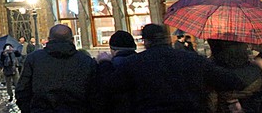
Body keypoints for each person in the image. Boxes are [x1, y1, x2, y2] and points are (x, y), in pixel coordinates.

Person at [96, 23, 244, 112]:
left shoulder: (135, 63)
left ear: (146, 42)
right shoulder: (192, 59)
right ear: (167, 39)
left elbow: (109, 86)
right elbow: (232, 81)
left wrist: (104, 63)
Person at [15, 24, 96, 113]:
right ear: (72, 40)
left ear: (49, 39)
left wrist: (29, 109)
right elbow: (95, 94)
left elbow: (22, 90)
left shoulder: (34, 59)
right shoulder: (86, 61)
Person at [206, 39, 262, 113]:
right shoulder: (254, 71)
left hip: (224, 80)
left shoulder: (212, 72)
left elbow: (211, 103)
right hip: (248, 80)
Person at [98, 30, 137, 112]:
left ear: (113, 50)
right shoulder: (143, 61)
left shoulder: (112, 65)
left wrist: (104, 63)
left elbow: (106, 86)